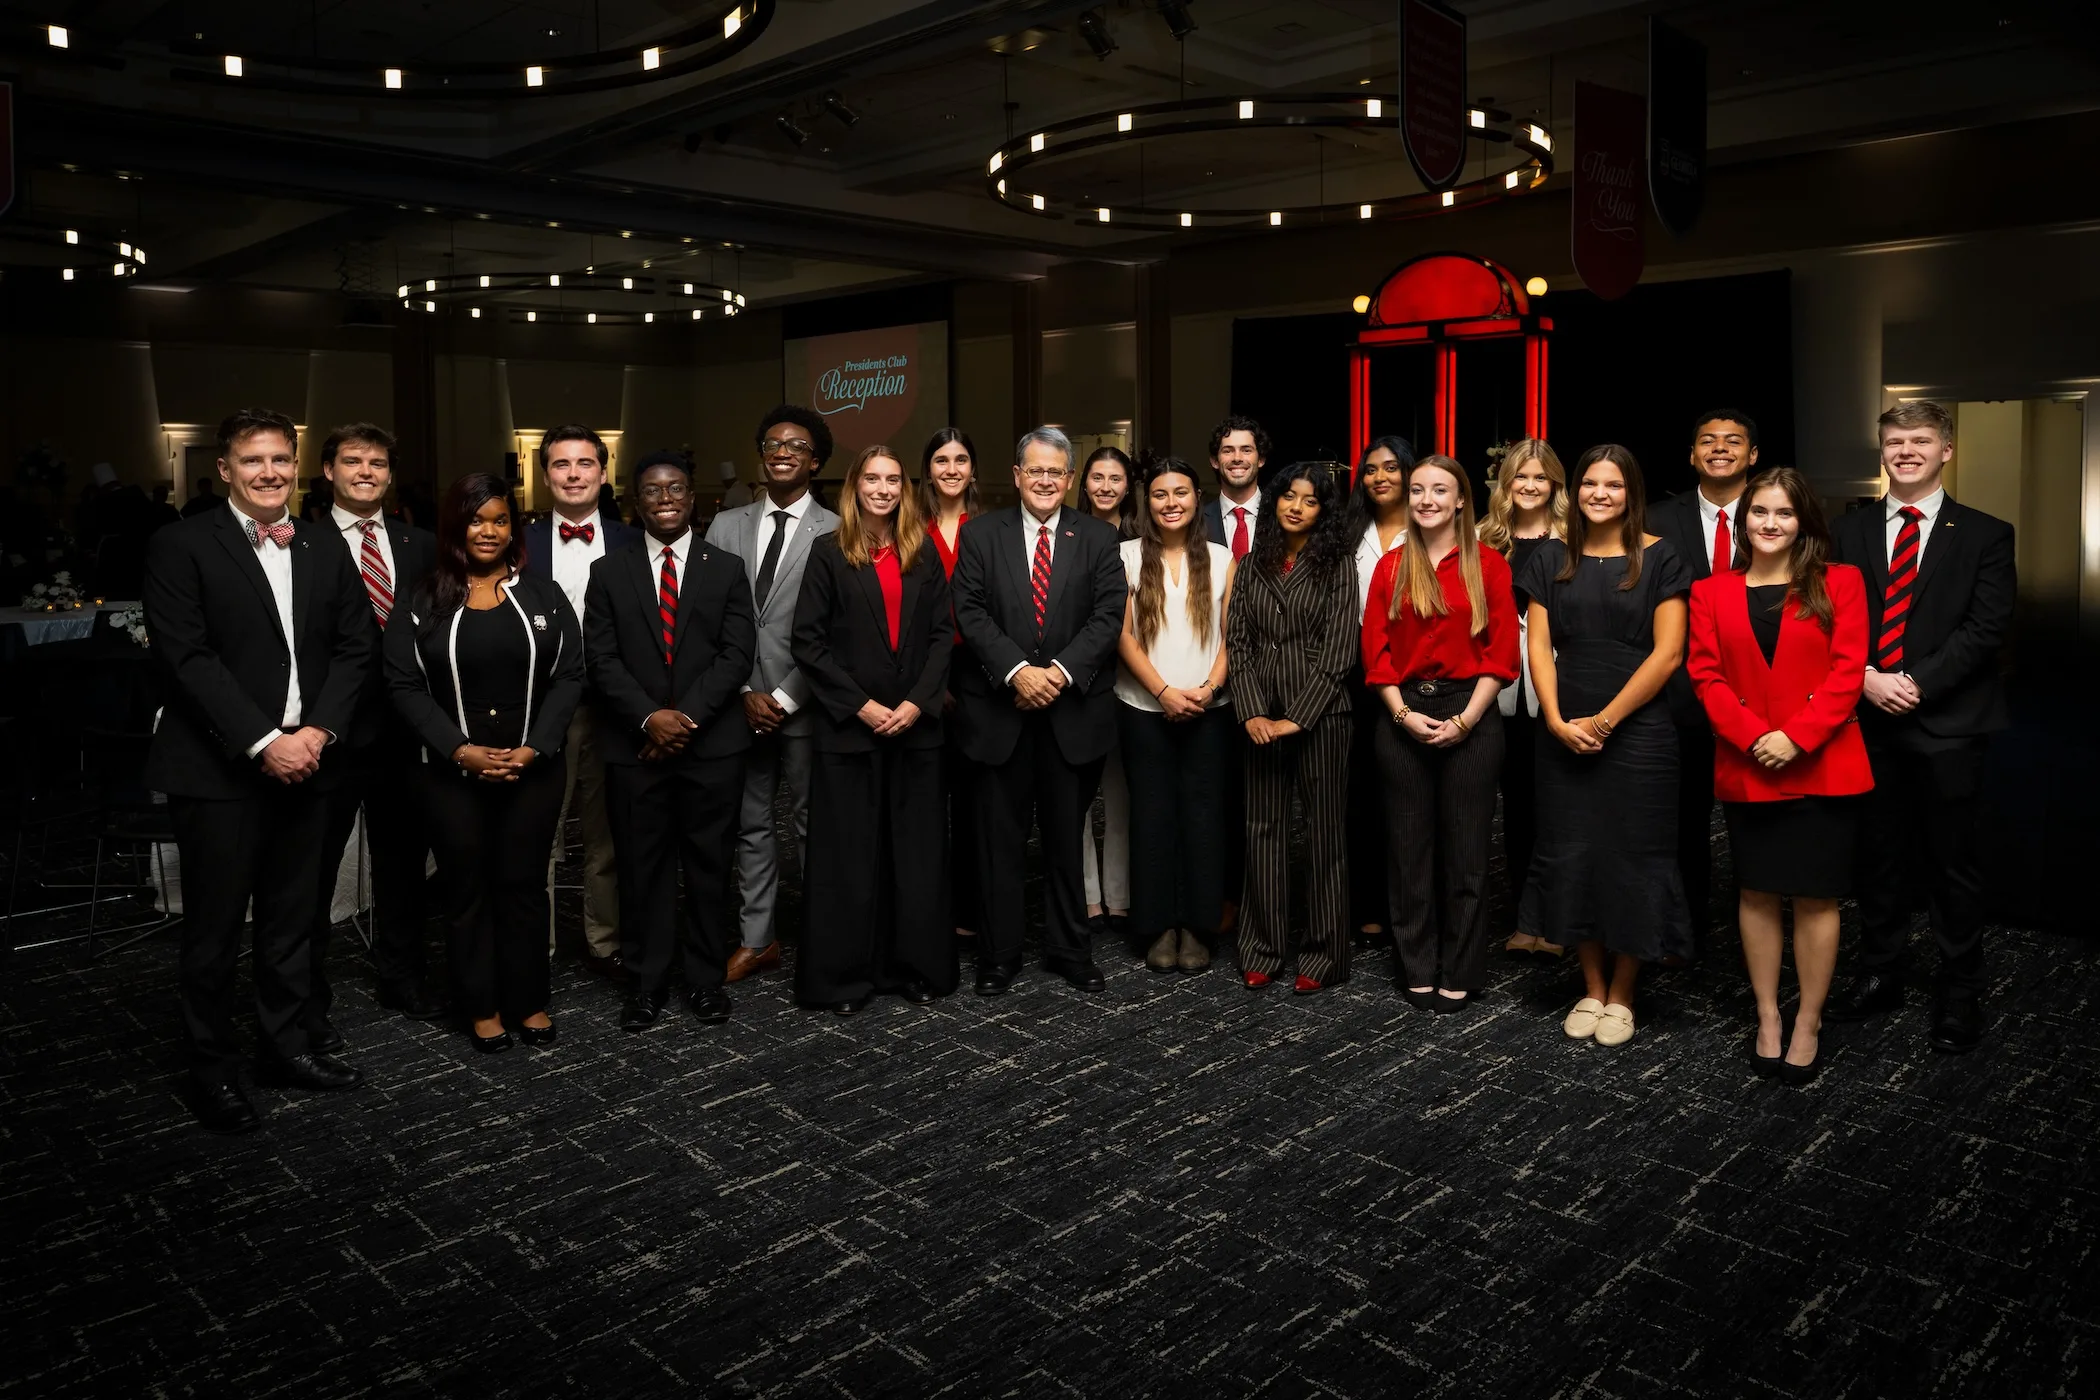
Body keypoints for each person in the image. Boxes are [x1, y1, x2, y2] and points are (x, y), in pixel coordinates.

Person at [144, 408, 378, 1133]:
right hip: (222, 770)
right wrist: (260, 741)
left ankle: (285, 1049)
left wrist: (316, 732)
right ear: (225, 470)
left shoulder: (318, 543)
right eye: (254, 462)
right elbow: (187, 660)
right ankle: (210, 1070)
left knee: (290, 924)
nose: (270, 472)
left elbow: (355, 646)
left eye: (280, 459)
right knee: (213, 932)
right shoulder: (180, 545)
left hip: (310, 759)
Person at [1827, 401, 2014, 1054]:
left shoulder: (1986, 534)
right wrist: (1868, 680)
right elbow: (1830, 620)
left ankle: (1960, 990)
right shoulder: (1848, 533)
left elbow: (1985, 629)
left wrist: (1916, 683)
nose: (1906, 450)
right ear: (1882, 450)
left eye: (1921, 440)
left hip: (1949, 726)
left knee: (1950, 863)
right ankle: (1881, 975)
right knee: (1877, 858)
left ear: (1946, 451)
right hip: (1866, 719)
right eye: (1895, 440)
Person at [1688, 467, 1872, 1084]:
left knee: (1817, 898)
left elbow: (1848, 673)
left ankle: (1809, 1020)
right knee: (1757, 892)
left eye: (1784, 513)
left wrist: (1795, 736)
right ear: (1744, 521)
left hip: (1822, 765)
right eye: (1760, 512)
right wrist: (1752, 736)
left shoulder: (1839, 583)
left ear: (1803, 523)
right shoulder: (1711, 591)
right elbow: (1706, 676)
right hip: (1749, 767)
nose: (1771, 523)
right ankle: (1768, 1015)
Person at [387, 474, 581, 1054]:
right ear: (456, 527)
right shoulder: (422, 598)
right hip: (450, 771)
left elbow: (571, 673)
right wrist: (461, 750)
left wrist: (535, 747)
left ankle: (529, 1000)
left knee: (523, 886)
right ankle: (481, 1006)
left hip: (533, 768)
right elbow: (402, 684)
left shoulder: (544, 594)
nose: (489, 531)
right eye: (477, 520)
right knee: (466, 889)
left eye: (499, 519)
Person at [1516, 445, 1694, 1047]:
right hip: (1563, 725)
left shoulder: (1661, 557)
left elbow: (1668, 654)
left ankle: (1623, 992)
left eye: (1612, 484)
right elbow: (1539, 647)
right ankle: (1590, 986)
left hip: (1638, 729)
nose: (1598, 493)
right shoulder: (1548, 558)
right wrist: (1558, 719)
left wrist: (1606, 721)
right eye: (1589, 482)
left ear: (1630, 492)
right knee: (1573, 854)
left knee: (1634, 856)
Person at [950, 427, 1129, 995]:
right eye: (1036, 470)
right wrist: (1016, 673)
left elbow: (1108, 615)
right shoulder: (981, 534)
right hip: (998, 716)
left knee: (1063, 838)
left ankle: (1069, 950)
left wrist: (1058, 674)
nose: (1046, 480)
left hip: (1070, 714)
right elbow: (970, 611)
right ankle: (998, 956)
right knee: (998, 842)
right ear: (1018, 475)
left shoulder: (1098, 538)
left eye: (1057, 472)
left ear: (1069, 479)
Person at [583, 456, 756, 1031]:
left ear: (692, 497)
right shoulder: (608, 571)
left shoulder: (727, 568)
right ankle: (647, 982)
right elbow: (601, 659)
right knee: (642, 870)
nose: (665, 497)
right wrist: (648, 720)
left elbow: (736, 654)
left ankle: (705, 981)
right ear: (636, 501)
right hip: (635, 750)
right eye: (652, 490)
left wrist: (682, 719)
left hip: (712, 748)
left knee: (710, 866)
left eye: (676, 487)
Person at [791, 446, 958, 1012]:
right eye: (873, 478)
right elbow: (807, 644)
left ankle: (910, 967)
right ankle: (845, 978)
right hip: (850, 729)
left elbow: (941, 635)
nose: (883, 488)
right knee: (850, 859)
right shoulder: (827, 552)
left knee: (913, 856)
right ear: (855, 485)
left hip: (916, 728)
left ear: (904, 488)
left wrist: (917, 703)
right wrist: (860, 706)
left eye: (893, 479)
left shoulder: (923, 552)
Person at [1363, 455, 1520, 1010]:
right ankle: (1417, 966)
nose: (1427, 499)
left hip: (1471, 713)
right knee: (1408, 854)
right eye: (1418, 490)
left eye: (1440, 490)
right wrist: (1403, 715)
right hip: (1402, 713)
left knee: (1467, 854)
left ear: (1460, 501)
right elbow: (1376, 653)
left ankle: (1462, 967)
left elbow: (1502, 654)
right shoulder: (1391, 567)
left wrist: (1466, 719)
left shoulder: (1491, 566)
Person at [704, 406, 842, 983]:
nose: (782, 451)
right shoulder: (724, 526)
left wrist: (785, 697)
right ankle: (758, 938)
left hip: (806, 704)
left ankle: (822, 935)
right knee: (750, 822)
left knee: (815, 823)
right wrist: (740, 690)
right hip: (737, 705)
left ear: (815, 460)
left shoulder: (838, 530)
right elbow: (705, 621)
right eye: (772, 443)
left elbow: (838, 630)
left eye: (796, 445)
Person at [315, 422, 442, 1025]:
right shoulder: (300, 545)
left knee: (402, 864)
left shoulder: (422, 545)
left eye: (377, 463)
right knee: (313, 867)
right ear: (329, 471)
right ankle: (304, 987)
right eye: (352, 461)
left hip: (405, 731)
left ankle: (402, 976)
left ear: (390, 475)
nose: (365, 471)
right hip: (331, 734)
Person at [1226, 461, 1359, 994]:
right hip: (1259, 717)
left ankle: (1324, 955)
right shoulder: (1252, 562)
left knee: (1324, 836)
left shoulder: (1338, 564)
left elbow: (1341, 651)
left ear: (1324, 511)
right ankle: (1262, 948)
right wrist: (1254, 712)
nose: (1295, 506)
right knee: (1263, 832)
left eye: (1308, 500)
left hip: (1322, 715)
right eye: (1287, 496)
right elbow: (1237, 641)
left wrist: (1295, 719)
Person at [521, 424, 637, 977]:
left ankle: (605, 942)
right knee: (538, 829)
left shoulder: (632, 541)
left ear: (603, 471)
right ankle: (535, 947)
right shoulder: (516, 542)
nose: (573, 474)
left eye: (584, 464)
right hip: (540, 709)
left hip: (614, 710)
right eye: (561, 465)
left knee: (605, 833)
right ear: (546, 475)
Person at [1115, 454, 1236, 973]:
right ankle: (1157, 924)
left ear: (1196, 498)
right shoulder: (1122, 556)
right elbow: (1121, 635)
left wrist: (1207, 689)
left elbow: (1234, 638)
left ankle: (1198, 924)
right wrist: (1162, 690)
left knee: (1204, 818)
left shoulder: (1221, 557)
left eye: (1181, 493)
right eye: (1161, 494)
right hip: (1143, 706)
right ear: (1148, 502)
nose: (1171, 503)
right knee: (1152, 816)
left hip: (1211, 709)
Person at [1647, 410, 1761, 956]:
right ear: (1692, 455)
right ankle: (1685, 929)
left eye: (1733, 441)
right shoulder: (1655, 518)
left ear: (1752, 455)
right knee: (1681, 820)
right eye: (1707, 441)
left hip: (1759, 695)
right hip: (1676, 694)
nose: (1720, 448)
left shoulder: (1775, 514)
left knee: (1759, 822)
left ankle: (1760, 931)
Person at [1478, 439, 1569, 958]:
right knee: (1513, 807)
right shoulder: (1483, 539)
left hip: (1559, 680)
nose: (1530, 486)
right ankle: (1521, 919)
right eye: (1520, 478)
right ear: (1505, 484)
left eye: (1540, 478)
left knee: (1555, 806)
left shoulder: (1575, 538)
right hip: (1497, 684)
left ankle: (1555, 920)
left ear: (1554, 484)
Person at [1342, 434, 1414, 947]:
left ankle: (1405, 906)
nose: (1380, 477)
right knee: (1358, 796)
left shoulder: (1431, 528)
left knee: (1407, 797)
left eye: (1391, 467)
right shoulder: (1347, 534)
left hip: (1413, 680)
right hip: (1351, 680)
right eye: (1370, 470)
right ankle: (1366, 904)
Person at [1201, 414, 1270, 939]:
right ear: (1215, 460)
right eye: (1228, 450)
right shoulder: (1194, 518)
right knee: (1223, 796)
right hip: (1216, 679)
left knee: (1277, 800)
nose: (1237, 458)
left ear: (1260, 458)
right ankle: (1226, 895)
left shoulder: (1290, 511)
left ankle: (1272, 900)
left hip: (1280, 678)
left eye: (1246, 450)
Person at [921, 427, 982, 942]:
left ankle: (968, 907)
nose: (951, 469)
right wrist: (927, 683)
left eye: (961, 459)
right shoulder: (906, 527)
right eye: (941, 460)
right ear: (929, 470)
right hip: (920, 675)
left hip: (978, 673)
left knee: (970, 799)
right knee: (922, 798)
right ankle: (925, 906)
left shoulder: (989, 527)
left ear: (973, 471)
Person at [1078, 445, 1135, 940]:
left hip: (1133, 682)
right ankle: (1088, 896)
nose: (1105, 487)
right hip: (1080, 680)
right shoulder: (1067, 532)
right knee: (1076, 797)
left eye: (1115, 478)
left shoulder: (1144, 537)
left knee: (1120, 795)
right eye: (1097, 477)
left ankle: (1119, 896)